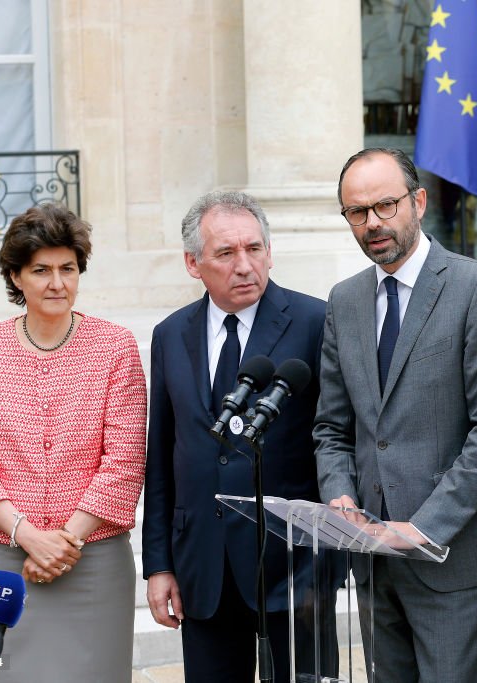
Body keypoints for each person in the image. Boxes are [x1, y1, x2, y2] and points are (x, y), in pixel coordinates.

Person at [314, 147, 477, 682]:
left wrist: (423, 529)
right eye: (357, 213)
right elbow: (332, 428)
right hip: (371, 552)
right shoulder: (345, 300)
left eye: (386, 206)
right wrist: (339, 495)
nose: (373, 224)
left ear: (420, 201)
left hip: (451, 554)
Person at [142, 191, 338, 682]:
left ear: (270, 252)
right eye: (226, 253)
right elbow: (163, 454)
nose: (244, 265)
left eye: (255, 249)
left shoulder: (316, 323)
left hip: (295, 568)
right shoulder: (171, 335)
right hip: (203, 566)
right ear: (193, 262)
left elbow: (335, 436)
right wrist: (159, 565)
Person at [0, 204, 147, 682]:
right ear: (15, 276)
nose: (57, 282)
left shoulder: (115, 346)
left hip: (94, 561)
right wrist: (29, 537)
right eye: (41, 270)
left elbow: (123, 461)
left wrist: (66, 541)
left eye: (68, 268)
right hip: (6, 560)